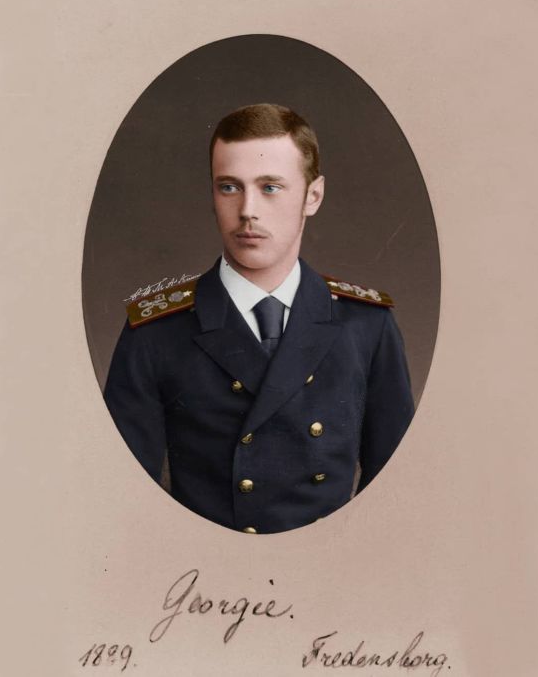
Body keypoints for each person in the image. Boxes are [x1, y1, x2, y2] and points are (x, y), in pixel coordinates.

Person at [104, 103, 414, 534]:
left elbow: (397, 496)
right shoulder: (156, 332)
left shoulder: (366, 326)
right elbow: (122, 503)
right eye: (229, 187)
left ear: (313, 196)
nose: (248, 210)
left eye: (270, 187)